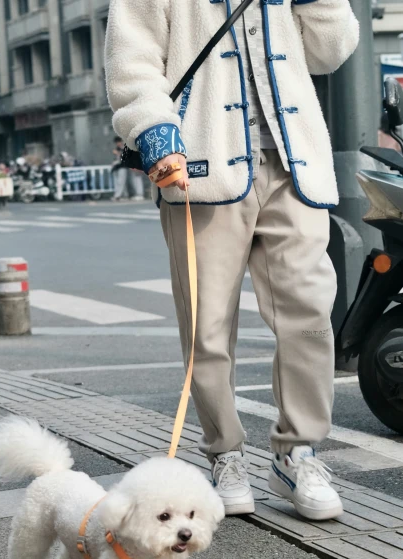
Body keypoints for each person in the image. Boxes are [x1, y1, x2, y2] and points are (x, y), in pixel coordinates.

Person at [105, 0, 359, 521]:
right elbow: (133, 62)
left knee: (310, 312)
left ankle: (298, 454)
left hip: (295, 165)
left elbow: (328, 52)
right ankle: (226, 455)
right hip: (199, 167)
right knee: (207, 326)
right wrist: (155, 131)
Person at [112, 136, 129, 201]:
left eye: (118, 142)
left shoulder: (124, 147)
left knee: (121, 181)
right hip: (118, 166)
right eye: (116, 142)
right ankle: (125, 195)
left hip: (123, 166)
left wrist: (118, 153)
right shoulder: (117, 148)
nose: (118, 143)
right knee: (120, 182)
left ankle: (117, 196)